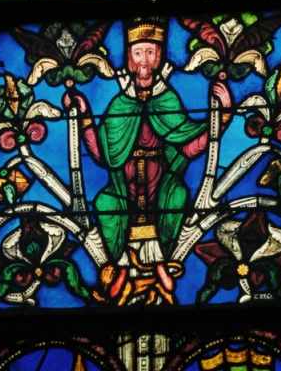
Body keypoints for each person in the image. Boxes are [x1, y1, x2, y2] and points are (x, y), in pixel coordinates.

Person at [64, 18, 230, 304]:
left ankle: (162, 268)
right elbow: (103, 155)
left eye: (151, 52)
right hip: (123, 192)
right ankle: (119, 272)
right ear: (129, 58)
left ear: (160, 56)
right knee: (105, 203)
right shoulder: (120, 105)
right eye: (138, 52)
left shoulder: (168, 101)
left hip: (161, 189)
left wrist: (223, 117)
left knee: (178, 196)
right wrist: (86, 117)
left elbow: (188, 146)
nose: (144, 61)